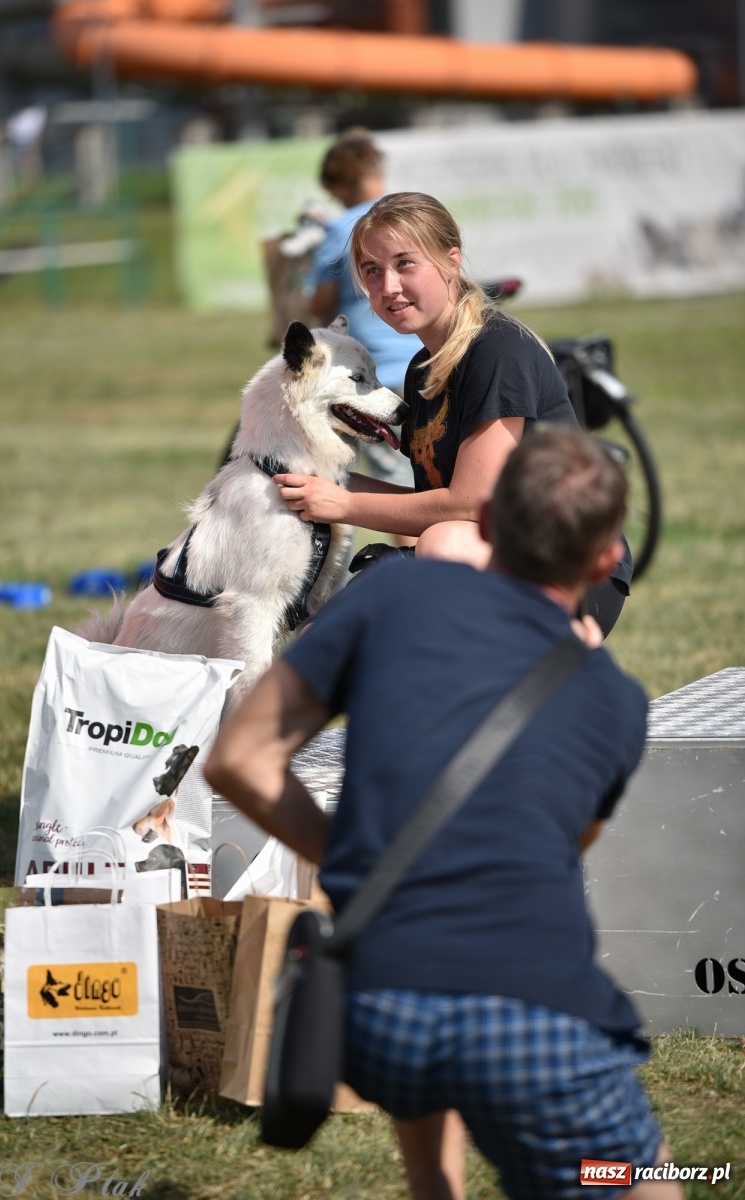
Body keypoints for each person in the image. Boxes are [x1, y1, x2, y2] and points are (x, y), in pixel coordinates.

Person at [205, 427, 679, 1200]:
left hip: (378, 1017)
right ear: (603, 565)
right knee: (651, 1176)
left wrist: (361, 856)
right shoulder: (614, 702)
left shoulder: (391, 594)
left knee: (435, 1076)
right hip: (532, 1021)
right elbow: (564, 843)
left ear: (484, 526)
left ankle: (434, 1184)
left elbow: (239, 759)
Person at [274, 191, 632, 637]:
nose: (388, 287)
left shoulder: (496, 350)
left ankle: (560, 665)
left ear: (451, 261)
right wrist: (318, 481)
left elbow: (469, 504)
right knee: (323, 639)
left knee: (442, 545)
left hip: (566, 566)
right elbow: (437, 500)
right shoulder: (423, 367)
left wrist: (344, 503)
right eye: (372, 270)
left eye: (405, 263)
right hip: (480, 555)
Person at [308, 134, 421, 542]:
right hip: (421, 363)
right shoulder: (401, 222)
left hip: (370, 376)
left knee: (399, 494)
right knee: (425, 479)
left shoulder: (339, 230)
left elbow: (320, 304)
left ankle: (418, 577)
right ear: (377, 173)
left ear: (337, 188)